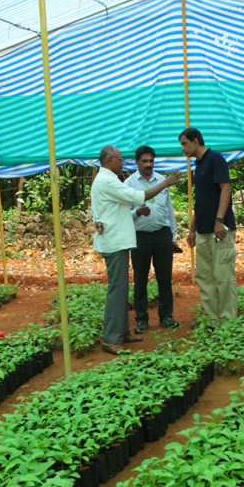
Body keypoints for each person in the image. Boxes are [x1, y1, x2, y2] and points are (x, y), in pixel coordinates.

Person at [91, 145, 179, 355]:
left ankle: (121, 332)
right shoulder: (108, 181)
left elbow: (120, 213)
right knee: (117, 290)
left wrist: (137, 213)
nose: (123, 163)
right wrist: (166, 183)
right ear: (110, 160)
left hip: (121, 240)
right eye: (120, 159)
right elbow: (139, 196)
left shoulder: (109, 180)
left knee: (122, 290)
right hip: (115, 242)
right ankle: (111, 338)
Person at [179, 127, 237, 327]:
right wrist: (193, 229)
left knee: (223, 276)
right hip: (203, 231)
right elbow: (201, 201)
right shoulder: (199, 164)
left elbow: (226, 188)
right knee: (205, 277)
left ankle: (228, 321)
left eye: (184, 144)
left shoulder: (215, 159)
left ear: (196, 141)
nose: (182, 149)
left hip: (219, 230)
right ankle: (213, 320)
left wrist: (219, 220)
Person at [124, 145, 180, 334]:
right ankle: (141, 319)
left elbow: (169, 211)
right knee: (140, 278)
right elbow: (123, 213)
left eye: (151, 161)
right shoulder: (129, 184)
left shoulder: (162, 180)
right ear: (137, 162)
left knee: (165, 277)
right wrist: (137, 212)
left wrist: (173, 236)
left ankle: (166, 316)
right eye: (144, 161)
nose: (149, 164)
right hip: (140, 237)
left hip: (162, 235)